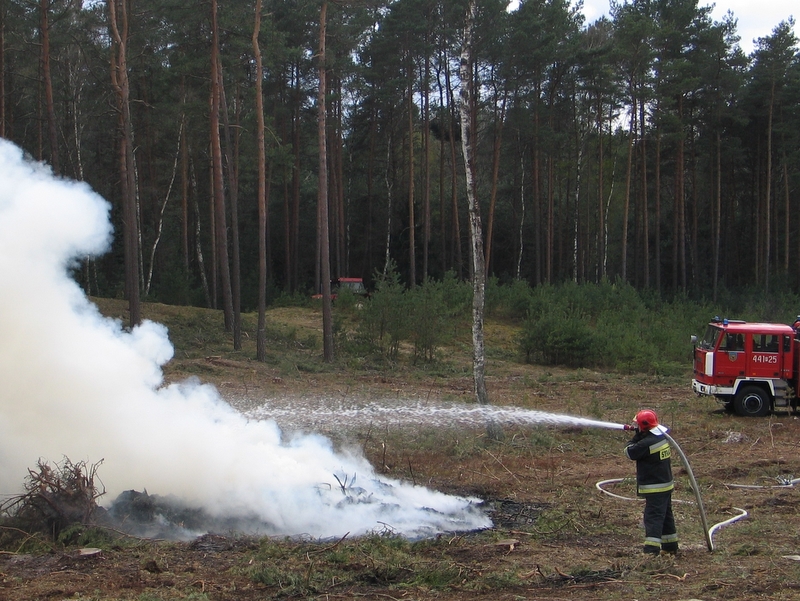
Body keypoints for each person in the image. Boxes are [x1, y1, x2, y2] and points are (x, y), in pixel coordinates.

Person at [624, 409, 678, 555]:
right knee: (666, 516)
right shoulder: (661, 436)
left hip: (655, 487)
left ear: (644, 426)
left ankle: (651, 550)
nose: (635, 426)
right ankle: (670, 546)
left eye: (638, 424)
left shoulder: (646, 443)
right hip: (665, 484)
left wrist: (636, 437)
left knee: (653, 517)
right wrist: (642, 433)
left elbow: (630, 452)